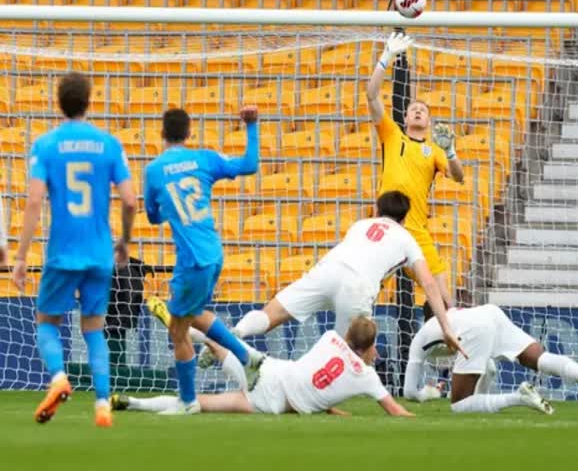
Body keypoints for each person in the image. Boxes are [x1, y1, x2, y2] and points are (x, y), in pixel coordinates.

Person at [12, 72, 137, 427]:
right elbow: (130, 200)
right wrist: (125, 242)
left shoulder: (46, 145)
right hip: (100, 254)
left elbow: (35, 200)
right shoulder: (109, 144)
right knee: (94, 329)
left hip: (62, 253)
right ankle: (102, 405)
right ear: (89, 101)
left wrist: (21, 257)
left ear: (59, 102)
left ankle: (58, 377)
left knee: (47, 322)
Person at [213, 190, 465, 364]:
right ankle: (319, 393)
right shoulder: (408, 239)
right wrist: (446, 327)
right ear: (405, 217)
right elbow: (430, 283)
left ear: (377, 210)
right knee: (352, 355)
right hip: (357, 285)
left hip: (327, 269)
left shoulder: (360, 225)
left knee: (272, 315)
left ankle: (238, 332)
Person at [142, 106, 263, 415]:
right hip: (213, 254)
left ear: (162, 133)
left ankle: (188, 401)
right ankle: (247, 357)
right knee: (196, 315)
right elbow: (250, 165)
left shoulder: (154, 171)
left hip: (192, 261)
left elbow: (153, 216)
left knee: (178, 332)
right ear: (189, 133)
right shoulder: (204, 159)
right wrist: (251, 126)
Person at [111, 317, 414, 417]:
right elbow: (395, 411)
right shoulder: (368, 377)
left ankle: (189, 330)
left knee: (224, 343)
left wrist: (329, 407)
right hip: (271, 401)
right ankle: (136, 404)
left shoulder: (330, 337)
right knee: (196, 404)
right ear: (369, 347)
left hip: (272, 370)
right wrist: (411, 415)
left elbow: (315, 376)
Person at [366, 32, 465, 309]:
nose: (418, 111)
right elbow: (371, 96)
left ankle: (450, 343)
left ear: (430, 121)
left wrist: (451, 152)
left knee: (443, 295)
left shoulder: (435, 150)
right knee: (366, 290)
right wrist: (385, 58)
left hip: (415, 231)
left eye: (423, 110)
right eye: (413, 109)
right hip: (385, 225)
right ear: (406, 117)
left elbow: (459, 177)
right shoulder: (392, 134)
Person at [403, 305, 578, 416]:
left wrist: (432, 393)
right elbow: (487, 368)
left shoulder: (421, 336)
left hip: (477, 328)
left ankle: (519, 397)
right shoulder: (457, 313)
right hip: (490, 313)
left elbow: (409, 393)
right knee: (540, 358)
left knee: (459, 406)